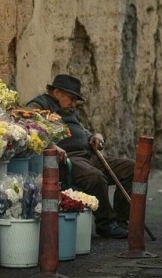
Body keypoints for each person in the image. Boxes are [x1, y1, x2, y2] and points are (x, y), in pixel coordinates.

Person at [26, 74, 133, 239]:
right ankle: (106, 224)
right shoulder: (39, 105)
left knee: (130, 168)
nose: (73, 104)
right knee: (95, 177)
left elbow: (81, 130)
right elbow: (29, 126)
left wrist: (95, 136)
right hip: (68, 159)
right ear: (57, 92)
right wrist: (51, 145)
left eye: (76, 100)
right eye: (71, 98)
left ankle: (121, 219)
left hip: (88, 155)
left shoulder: (70, 110)